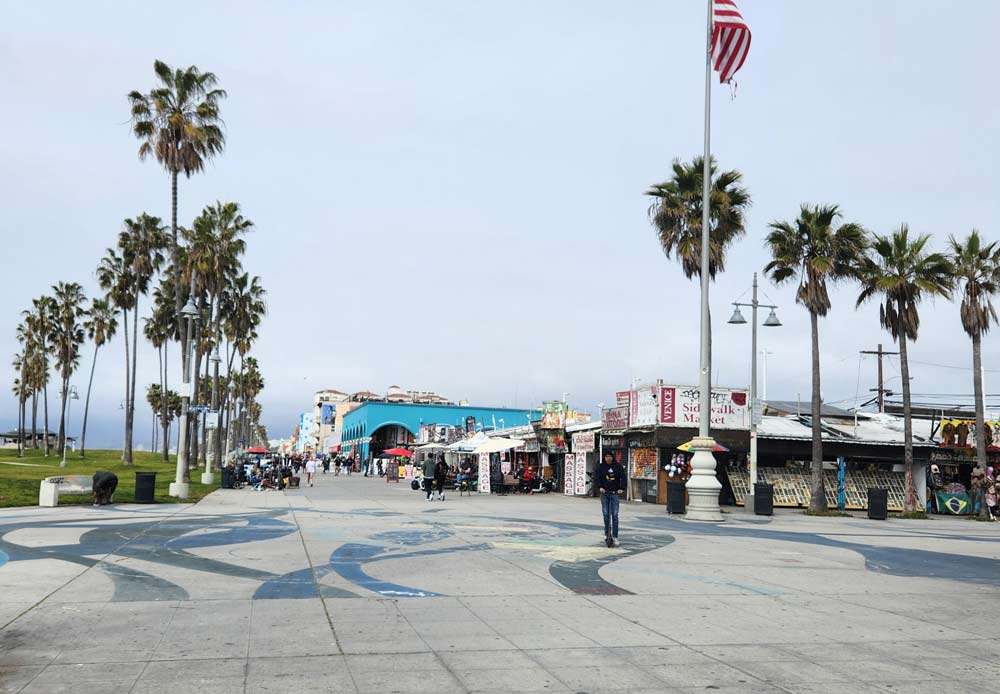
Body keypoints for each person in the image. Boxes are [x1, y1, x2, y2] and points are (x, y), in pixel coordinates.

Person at [596, 451, 626, 546]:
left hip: (614, 493)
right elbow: (598, 478)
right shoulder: (601, 467)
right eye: (606, 456)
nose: (608, 458)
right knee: (605, 514)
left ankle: (615, 536)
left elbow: (623, 478)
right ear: (604, 458)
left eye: (610, 456)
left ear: (612, 457)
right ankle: (607, 534)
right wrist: (600, 487)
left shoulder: (617, 466)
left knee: (615, 515)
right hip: (604, 493)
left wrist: (621, 488)